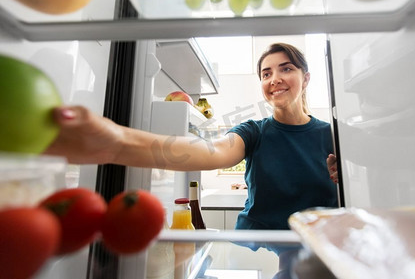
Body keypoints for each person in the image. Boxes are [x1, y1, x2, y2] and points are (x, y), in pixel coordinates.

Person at [45, 43, 339, 231]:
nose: (274, 79)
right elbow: (211, 151)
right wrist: (115, 144)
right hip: (257, 242)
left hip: (319, 246)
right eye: (266, 73)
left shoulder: (334, 135)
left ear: (306, 77)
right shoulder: (254, 131)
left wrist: (345, 175)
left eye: (286, 68)